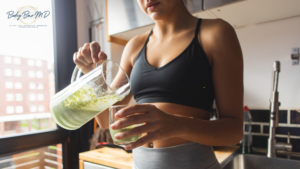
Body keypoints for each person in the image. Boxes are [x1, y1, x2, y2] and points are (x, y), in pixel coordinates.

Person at [73, 0, 243, 168]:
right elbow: (105, 120)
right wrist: (92, 75)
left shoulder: (215, 33)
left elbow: (234, 132)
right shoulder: (134, 46)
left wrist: (178, 125)